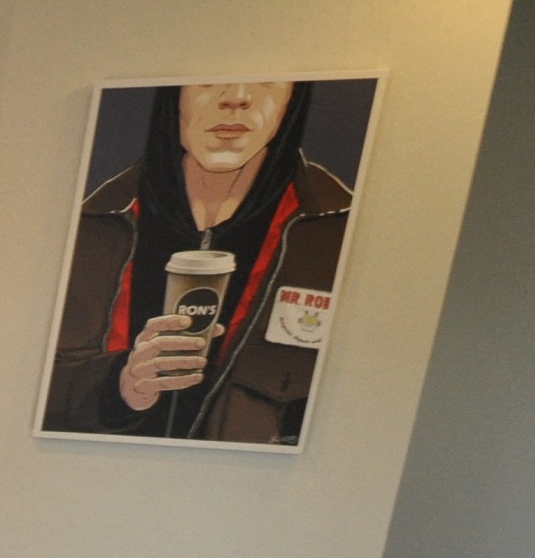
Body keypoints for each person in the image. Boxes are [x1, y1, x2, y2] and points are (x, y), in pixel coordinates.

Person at [44, 80, 355, 443]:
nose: (237, 97)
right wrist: (121, 386)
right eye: (210, 80)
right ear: (174, 96)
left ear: (293, 97)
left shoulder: (338, 233)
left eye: (265, 81)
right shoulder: (92, 221)